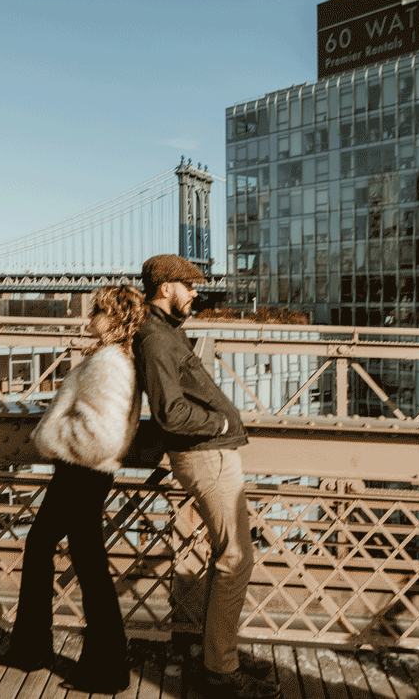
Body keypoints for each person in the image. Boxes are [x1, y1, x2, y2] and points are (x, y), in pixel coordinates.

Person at [131, 254, 280, 699]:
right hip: (204, 455)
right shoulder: (155, 338)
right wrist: (219, 423)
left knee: (229, 555)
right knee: (237, 558)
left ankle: (221, 653)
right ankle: (220, 669)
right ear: (165, 287)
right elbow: (170, 412)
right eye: (189, 285)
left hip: (211, 453)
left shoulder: (166, 330)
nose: (196, 292)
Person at [0, 284, 146, 694]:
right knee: (46, 546)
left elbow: (105, 436)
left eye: (97, 310)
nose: (89, 316)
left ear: (115, 318)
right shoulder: (112, 357)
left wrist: (53, 435)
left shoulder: (110, 362)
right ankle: (35, 648)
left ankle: (103, 667)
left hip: (83, 470)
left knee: (85, 562)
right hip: (81, 471)